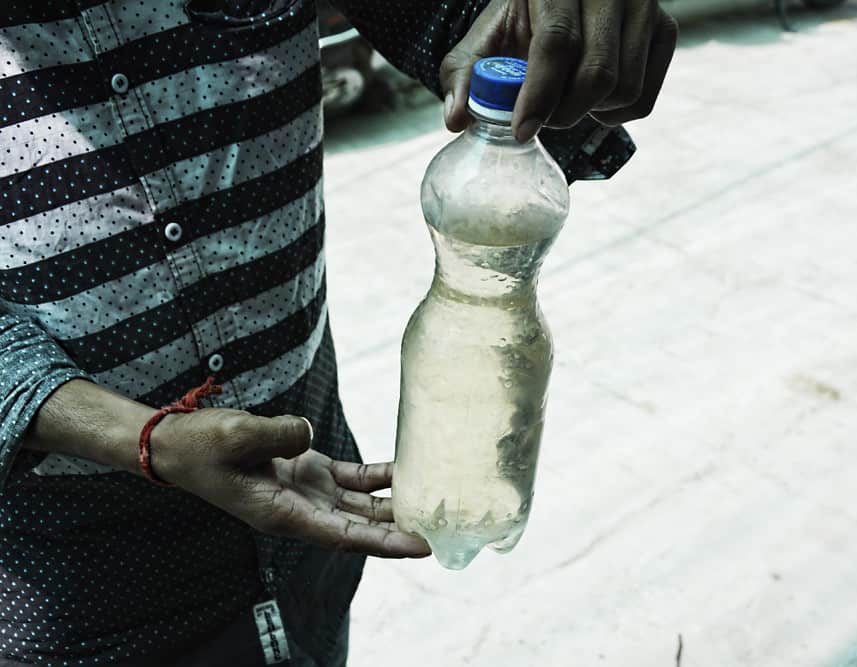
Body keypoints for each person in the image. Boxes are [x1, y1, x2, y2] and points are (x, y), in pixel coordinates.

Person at [0, 1, 676, 664]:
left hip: (313, 532)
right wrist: (148, 441)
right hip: (80, 590)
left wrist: (568, 32)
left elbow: (479, 30)